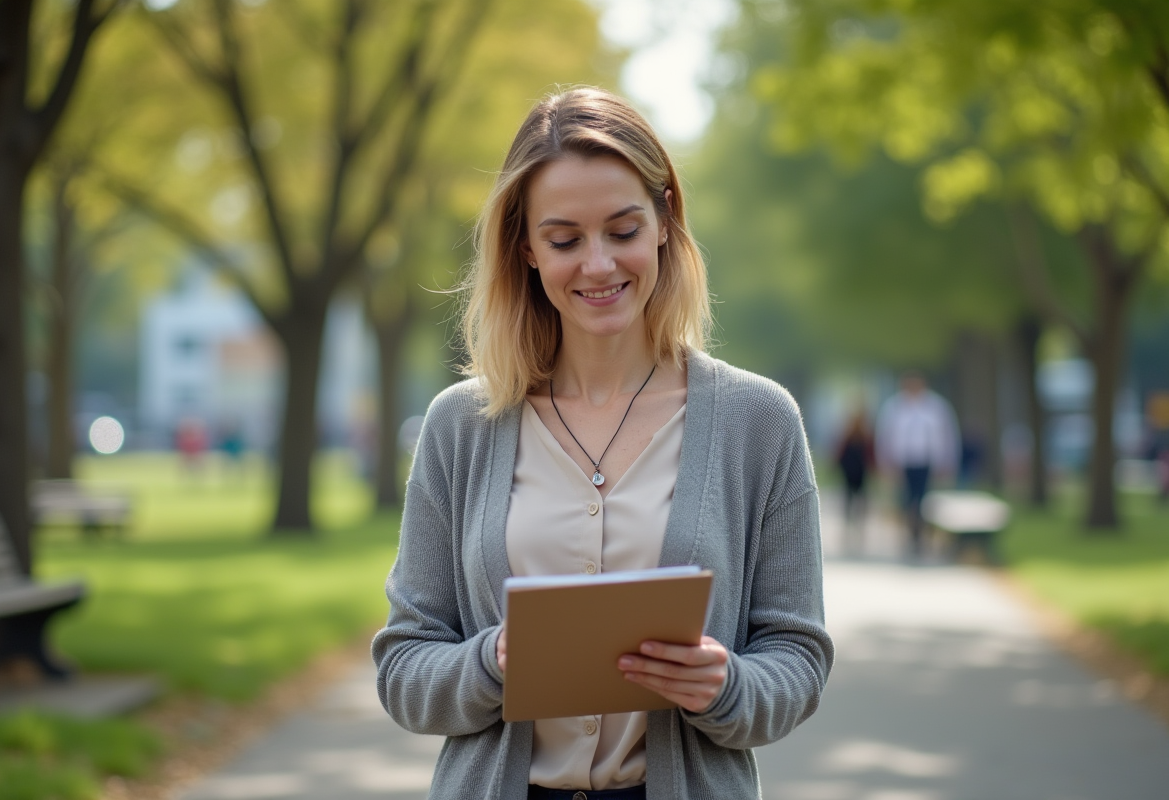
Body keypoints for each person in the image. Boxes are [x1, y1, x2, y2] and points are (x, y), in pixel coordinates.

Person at [371, 88, 833, 800]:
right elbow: (404, 667)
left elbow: (798, 657)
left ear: (664, 222)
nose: (597, 266)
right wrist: (494, 661)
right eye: (564, 240)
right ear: (524, 247)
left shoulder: (759, 421)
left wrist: (727, 684)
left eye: (622, 231)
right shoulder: (459, 427)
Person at [874, 372, 960, 558]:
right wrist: (885, 462)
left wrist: (947, 460)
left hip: (927, 461)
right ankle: (910, 534)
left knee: (925, 500)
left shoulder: (937, 407)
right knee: (906, 499)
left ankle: (923, 533)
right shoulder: (894, 407)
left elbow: (948, 436)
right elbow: (884, 437)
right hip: (903, 462)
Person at [834, 407, 874, 554]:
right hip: (855, 473)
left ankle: (852, 526)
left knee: (853, 501)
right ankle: (853, 526)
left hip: (854, 473)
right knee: (855, 501)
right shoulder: (854, 436)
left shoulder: (858, 436)